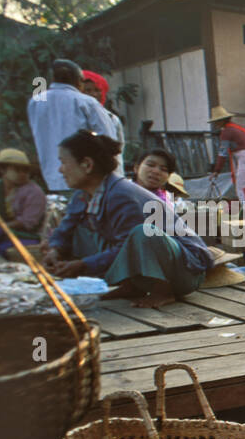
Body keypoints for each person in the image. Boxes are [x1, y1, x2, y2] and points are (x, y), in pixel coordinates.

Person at [43, 130, 212, 307]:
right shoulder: (82, 195)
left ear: (86, 165)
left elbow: (126, 246)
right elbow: (66, 226)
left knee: (143, 233)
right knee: (77, 230)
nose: (60, 169)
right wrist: (55, 250)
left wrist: (83, 264)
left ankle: (162, 291)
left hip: (186, 271)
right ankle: (128, 285)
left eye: (63, 162)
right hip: (151, 263)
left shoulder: (121, 195)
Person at [26, 59, 115, 193]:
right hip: (86, 180)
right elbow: (109, 141)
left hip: (52, 180)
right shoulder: (86, 102)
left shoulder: (35, 102)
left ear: (53, 78)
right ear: (79, 80)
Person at [0, 148, 47, 260]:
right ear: (3, 169)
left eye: (25, 171)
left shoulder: (34, 192)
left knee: (1, 245)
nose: (22, 174)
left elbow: (28, 222)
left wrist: (1, 227)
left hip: (25, 235)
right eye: (17, 170)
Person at [208, 106, 245, 196]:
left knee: (241, 187)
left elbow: (222, 153)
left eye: (216, 122)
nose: (215, 124)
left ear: (222, 120)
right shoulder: (239, 128)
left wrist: (217, 170)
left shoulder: (226, 132)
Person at [80, 70, 126, 175]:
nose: (93, 94)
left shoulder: (112, 118)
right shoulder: (75, 117)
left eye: (97, 90)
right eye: (87, 90)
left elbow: (119, 147)